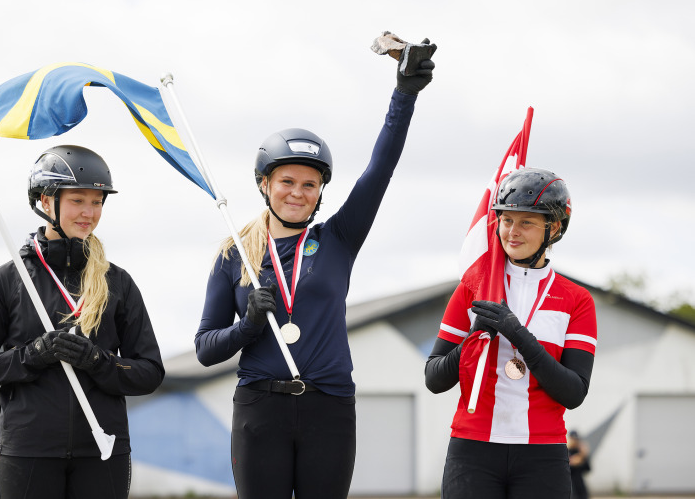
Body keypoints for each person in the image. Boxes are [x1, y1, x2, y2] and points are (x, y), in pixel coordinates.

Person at [194, 46, 435, 498]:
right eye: (286, 181)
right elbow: (205, 349)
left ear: (321, 192)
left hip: (330, 406)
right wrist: (246, 328)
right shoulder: (235, 255)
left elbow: (378, 171)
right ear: (264, 183)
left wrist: (404, 95)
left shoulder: (339, 238)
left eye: (310, 184)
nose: (298, 193)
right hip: (260, 407)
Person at [0, 145, 165, 499]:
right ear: (45, 201)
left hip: (103, 450)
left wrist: (99, 362)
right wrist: (30, 356)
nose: (90, 212)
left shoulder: (118, 282)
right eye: (78, 201)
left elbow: (149, 372)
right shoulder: (10, 279)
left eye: (97, 202)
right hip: (27, 452)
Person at [424, 168, 598, 499]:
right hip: (473, 449)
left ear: (554, 227)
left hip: (542, 454)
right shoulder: (473, 287)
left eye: (526, 222)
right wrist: (475, 338)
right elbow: (434, 379)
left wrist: (518, 334)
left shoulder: (577, 300)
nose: (512, 232)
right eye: (506, 221)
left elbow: (573, 393)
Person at [568, 430, 591, 499]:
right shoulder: (567, 451)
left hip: (580, 485)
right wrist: (572, 462)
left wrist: (584, 456)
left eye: (576, 439)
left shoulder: (580, 452)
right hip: (571, 485)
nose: (575, 441)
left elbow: (588, 468)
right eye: (573, 439)